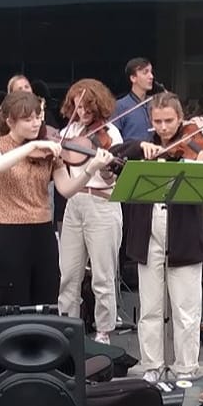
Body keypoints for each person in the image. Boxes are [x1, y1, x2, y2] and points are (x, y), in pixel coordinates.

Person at [0, 91, 115, 307]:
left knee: (46, 300)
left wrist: (90, 170)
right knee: (12, 302)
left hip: (43, 231)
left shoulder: (49, 150)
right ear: (10, 121)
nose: (36, 123)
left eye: (38, 117)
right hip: (9, 232)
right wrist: (31, 146)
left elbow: (66, 189)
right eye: (28, 120)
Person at [119, 93, 203, 379]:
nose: (163, 128)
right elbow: (118, 152)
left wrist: (198, 145)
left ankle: (185, 368)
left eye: (169, 121)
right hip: (149, 234)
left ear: (180, 118)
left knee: (186, 309)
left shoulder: (192, 140)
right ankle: (153, 366)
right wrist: (139, 145)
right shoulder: (143, 147)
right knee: (150, 308)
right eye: (157, 121)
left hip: (184, 234)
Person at [56, 78, 125, 341]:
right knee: (69, 273)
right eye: (77, 107)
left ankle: (104, 331)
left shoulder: (110, 134)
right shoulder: (69, 131)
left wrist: (105, 168)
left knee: (102, 275)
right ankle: (68, 328)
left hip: (102, 203)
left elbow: (112, 180)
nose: (82, 113)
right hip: (74, 203)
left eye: (87, 107)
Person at [117, 57, 157, 143]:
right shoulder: (120, 106)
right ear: (133, 78)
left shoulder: (155, 102)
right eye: (145, 72)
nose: (151, 76)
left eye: (151, 72)